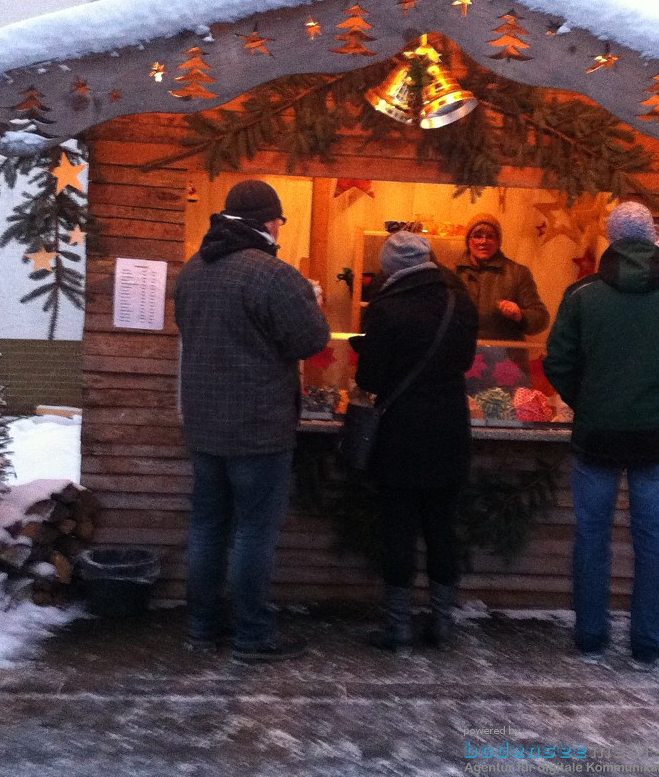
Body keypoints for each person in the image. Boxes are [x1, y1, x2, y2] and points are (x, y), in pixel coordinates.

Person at [543, 201, 659, 670]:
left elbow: (558, 362)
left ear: (609, 238)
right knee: (651, 540)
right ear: (651, 239)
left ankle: (590, 637)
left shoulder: (581, 295)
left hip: (596, 436)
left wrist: (585, 400)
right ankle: (649, 642)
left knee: (591, 535)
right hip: (655, 437)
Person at [174, 179, 330, 662]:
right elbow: (311, 340)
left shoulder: (192, 272)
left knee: (207, 527)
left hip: (203, 425)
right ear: (268, 221)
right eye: (278, 221)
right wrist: (313, 302)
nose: (279, 229)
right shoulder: (273, 275)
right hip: (259, 427)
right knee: (253, 532)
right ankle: (253, 635)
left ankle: (201, 627)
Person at [350, 231, 479, 651]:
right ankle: (442, 624)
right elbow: (463, 361)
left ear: (391, 267)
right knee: (443, 528)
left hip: (400, 431)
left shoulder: (385, 308)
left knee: (399, 530)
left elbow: (370, 379)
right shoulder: (460, 302)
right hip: (448, 426)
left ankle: (397, 628)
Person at [454, 213, 549, 342]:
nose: (483, 241)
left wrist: (520, 314)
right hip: (461, 352)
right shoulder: (452, 273)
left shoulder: (518, 273)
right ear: (468, 241)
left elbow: (541, 319)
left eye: (490, 237)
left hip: (504, 356)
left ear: (498, 242)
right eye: (477, 236)